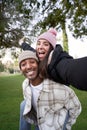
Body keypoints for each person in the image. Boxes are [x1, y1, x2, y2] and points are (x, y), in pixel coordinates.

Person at [18, 50, 81, 130]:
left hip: (55, 127)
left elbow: (76, 106)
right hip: (40, 125)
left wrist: (66, 126)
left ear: (38, 64)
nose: (28, 66)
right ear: (21, 69)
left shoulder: (56, 87)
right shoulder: (25, 84)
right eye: (23, 64)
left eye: (32, 62)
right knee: (23, 104)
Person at [19, 28, 87, 91]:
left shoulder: (59, 62)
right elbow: (30, 49)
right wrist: (22, 43)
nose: (40, 47)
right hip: (44, 97)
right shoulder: (39, 57)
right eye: (38, 43)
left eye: (45, 44)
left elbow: (72, 68)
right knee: (23, 104)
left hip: (59, 100)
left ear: (51, 48)